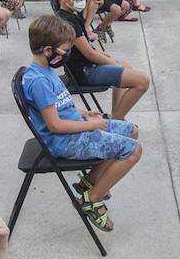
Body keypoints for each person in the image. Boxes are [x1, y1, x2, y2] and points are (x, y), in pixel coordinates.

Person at [21, 15, 141, 233]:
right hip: (65, 141)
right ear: (48, 50)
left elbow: (59, 106)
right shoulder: (38, 81)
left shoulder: (46, 70)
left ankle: (89, 181)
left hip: (75, 128)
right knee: (134, 150)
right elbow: (55, 126)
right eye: (65, 50)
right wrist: (93, 125)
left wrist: (84, 113)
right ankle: (92, 200)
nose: (67, 55)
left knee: (131, 131)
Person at [50, 0, 150, 120]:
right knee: (142, 81)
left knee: (126, 65)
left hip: (85, 66)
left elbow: (86, 47)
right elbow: (89, 53)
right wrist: (112, 62)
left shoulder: (69, 15)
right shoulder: (69, 22)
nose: (82, 1)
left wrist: (105, 56)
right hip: (84, 72)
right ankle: (116, 121)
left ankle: (117, 116)